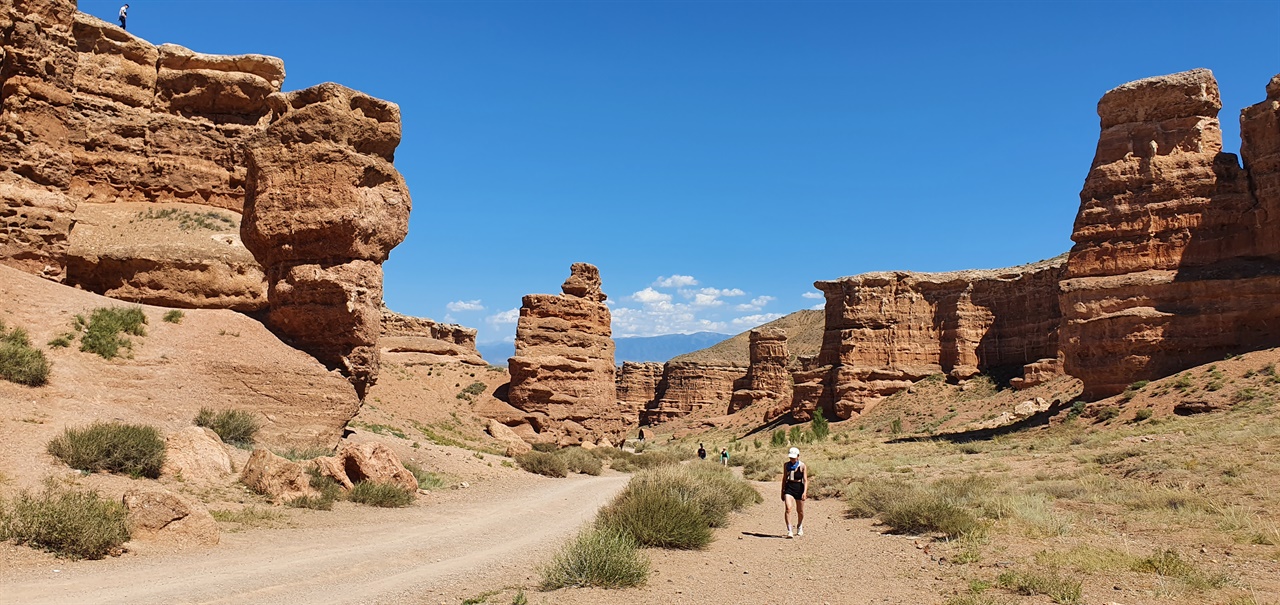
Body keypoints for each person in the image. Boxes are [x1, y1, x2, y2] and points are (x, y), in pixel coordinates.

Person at [781, 446, 807, 538]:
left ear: (798, 456)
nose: (792, 459)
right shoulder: (786, 465)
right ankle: (789, 530)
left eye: (793, 457)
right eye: (790, 457)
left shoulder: (802, 466)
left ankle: (799, 526)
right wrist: (782, 491)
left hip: (799, 488)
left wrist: (804, 492)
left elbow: (805, 480)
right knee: (788, 508)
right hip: (789, 488)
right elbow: (784, 479)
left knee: (800, 511)